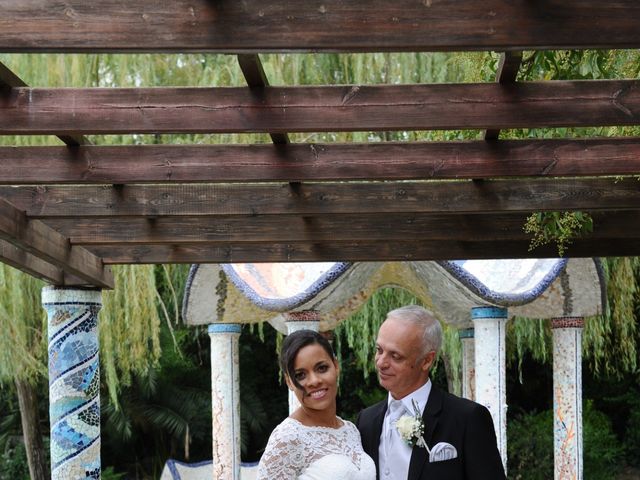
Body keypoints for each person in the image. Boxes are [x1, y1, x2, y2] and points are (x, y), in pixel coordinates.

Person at [356, 305, 506, 480]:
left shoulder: (467, 418)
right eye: (379, 350)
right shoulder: (365, 421)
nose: (381, 363)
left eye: (395, 356)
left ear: (427, 360)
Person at [257, 329, 376, 480]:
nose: (314, 381)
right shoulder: (287, 438)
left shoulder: (350, 431)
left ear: (336, 366)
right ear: (289, 382)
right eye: (300, 375)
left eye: (322, 368)